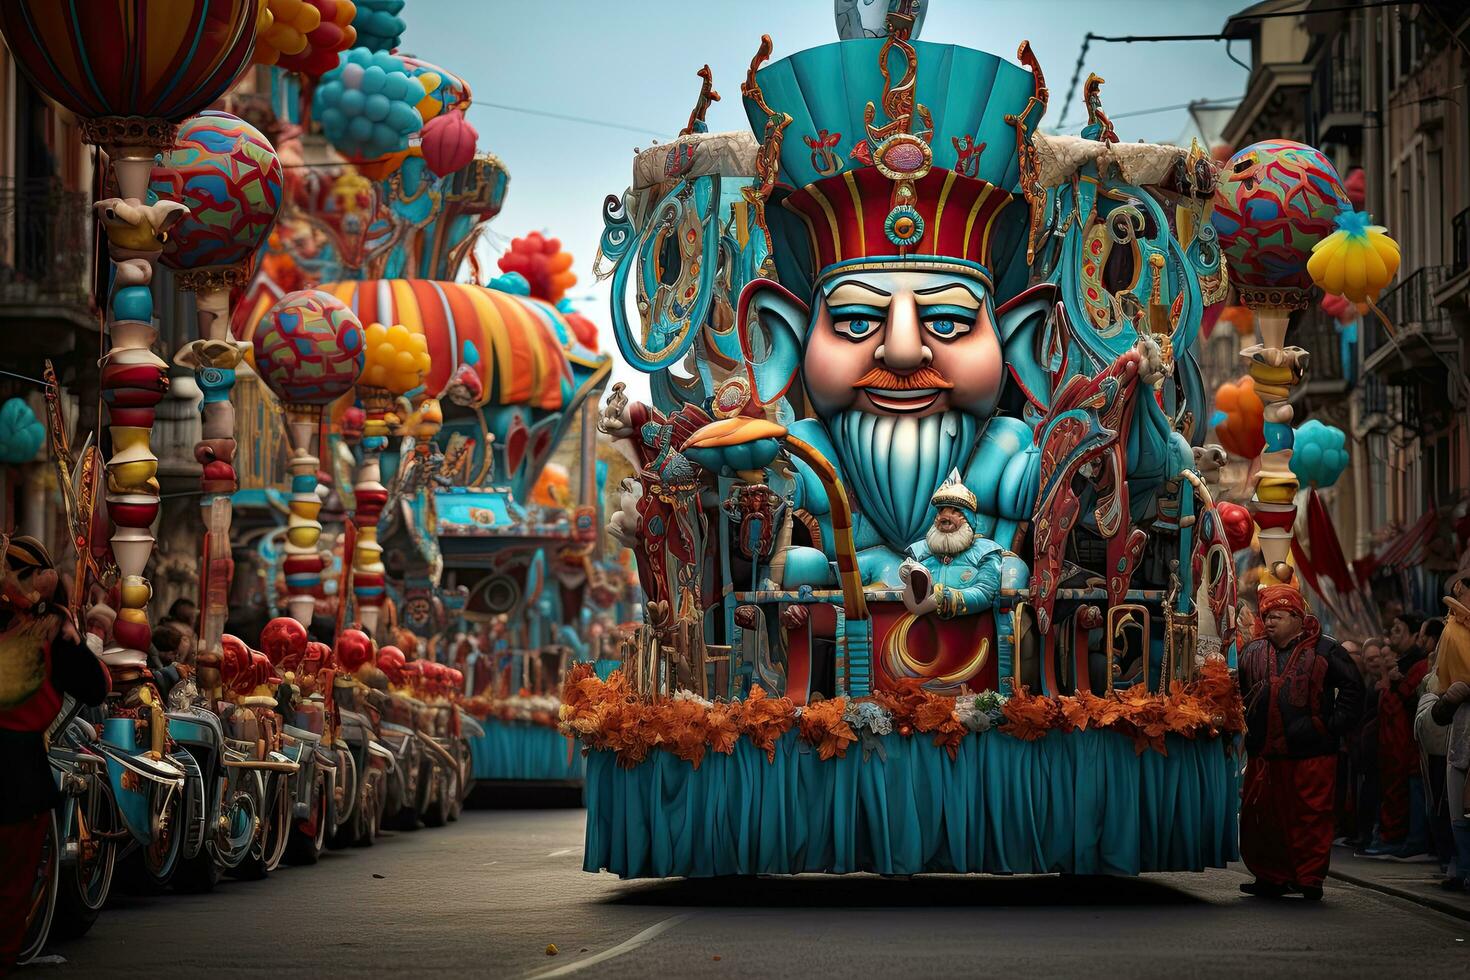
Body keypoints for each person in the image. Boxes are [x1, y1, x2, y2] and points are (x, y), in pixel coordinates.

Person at [0, 536, 110, 971]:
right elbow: (94, 688)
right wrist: (88, 633)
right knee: (10, 884)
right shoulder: (52, 632)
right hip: (18, 773)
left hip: (19, 770)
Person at [1238, 583, 1363, 900]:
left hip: (1311, 754)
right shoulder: (1252, 651)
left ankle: (1308, 878)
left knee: (1310, 817)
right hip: (1264, 754)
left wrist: (1327, 726)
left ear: (1297, 617)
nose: (1269, 622)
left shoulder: (1326, 649)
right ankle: (1270, 876)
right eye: (1267, 616)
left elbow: (1353, 690)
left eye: (1277, 616)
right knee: (1262, 818)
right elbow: (1237, 693)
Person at [1366, 611, 1432, 858]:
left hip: (1409, 746)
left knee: (1412, 795)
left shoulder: (1418, 667)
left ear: (1415, 636)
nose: (1392, 634)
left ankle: (1413, 842)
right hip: (1392, 745)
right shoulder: (1403, 665)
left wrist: (1394, 682)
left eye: (1398, 629)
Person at [1425, 597, 1470, 891]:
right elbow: (1439, 715)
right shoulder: (1454, 634)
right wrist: (1448, 701)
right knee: (1456, 808)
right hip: (1459, 743)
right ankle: (1462, 866)